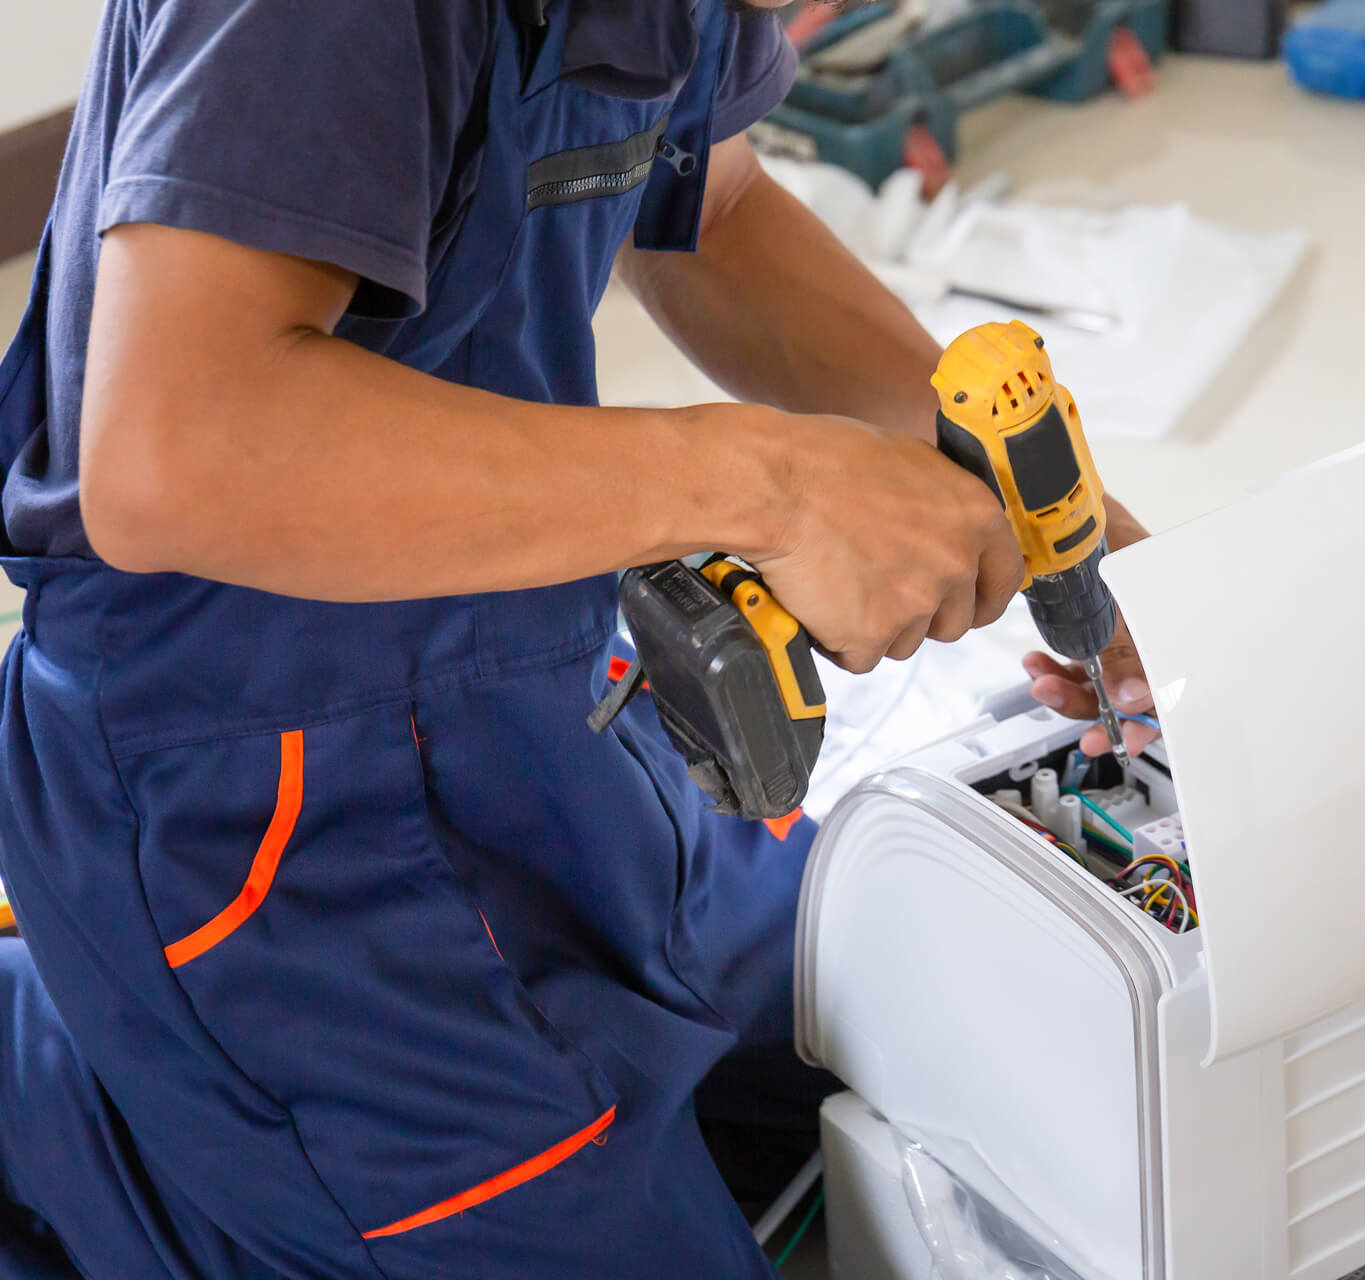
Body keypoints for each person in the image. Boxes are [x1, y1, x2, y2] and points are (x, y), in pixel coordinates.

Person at [0, 0, 1160, 1275]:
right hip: (248, 807)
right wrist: (766, 482)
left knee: (934, 1015)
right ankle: (82, 1090)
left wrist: (1029, 518)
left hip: (533, 692)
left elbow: (705, 214)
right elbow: (177, 452)